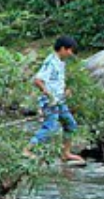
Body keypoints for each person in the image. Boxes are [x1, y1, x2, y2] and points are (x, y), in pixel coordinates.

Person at [27, 35, 84, 163]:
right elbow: (37, 80)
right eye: (70, 50)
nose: (71, 54)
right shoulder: (51, 62)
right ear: (63, 49)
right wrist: (47, 92)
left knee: (70, 124)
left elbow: (55, 81)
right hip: (50, 102)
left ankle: (66, 153)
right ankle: (27, 150)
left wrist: (64, 91)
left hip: (60, 101)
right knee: (50, 127)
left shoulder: (60, 62)